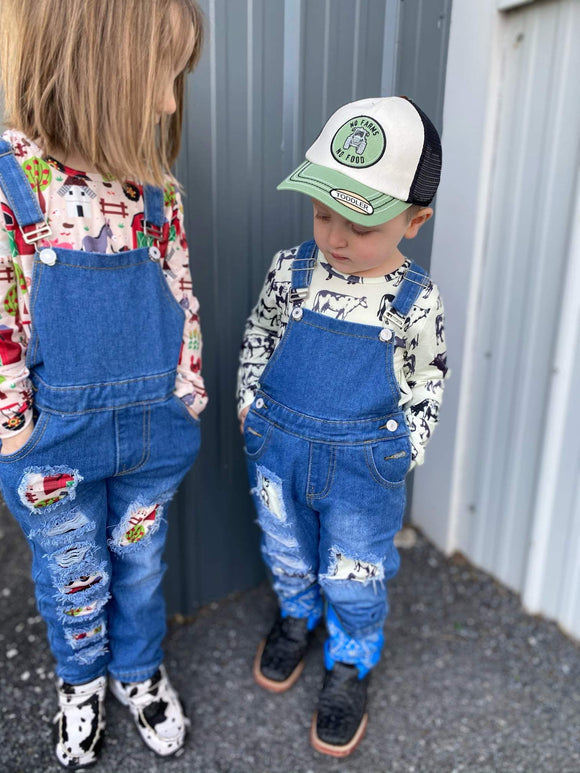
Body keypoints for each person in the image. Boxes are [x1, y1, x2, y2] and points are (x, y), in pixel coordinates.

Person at [0, 0, 205, 766]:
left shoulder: (158, 193)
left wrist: (190, 389)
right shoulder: (14, 182)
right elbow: (3, 316)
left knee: (141, 567)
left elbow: (181, 297)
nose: (169, 102)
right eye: (163, 76)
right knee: (72, 573)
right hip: (53, 439)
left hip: (153, 428)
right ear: (98, 65)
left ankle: (136, 670)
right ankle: (79, 679)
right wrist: (14, 424)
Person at [237, 96, 448, 757]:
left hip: (364, 469)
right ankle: (296, 617)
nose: (334, 237)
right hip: (280, 451)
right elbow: (261, 332)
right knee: (287, 549)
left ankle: (352, 656)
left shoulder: (417, 298)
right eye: (323, 212)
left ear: (415, 221)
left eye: (360, 224)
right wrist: (248, 403)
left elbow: (425, 381)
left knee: (354, 573)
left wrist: (406, 448)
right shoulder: (292, 270)